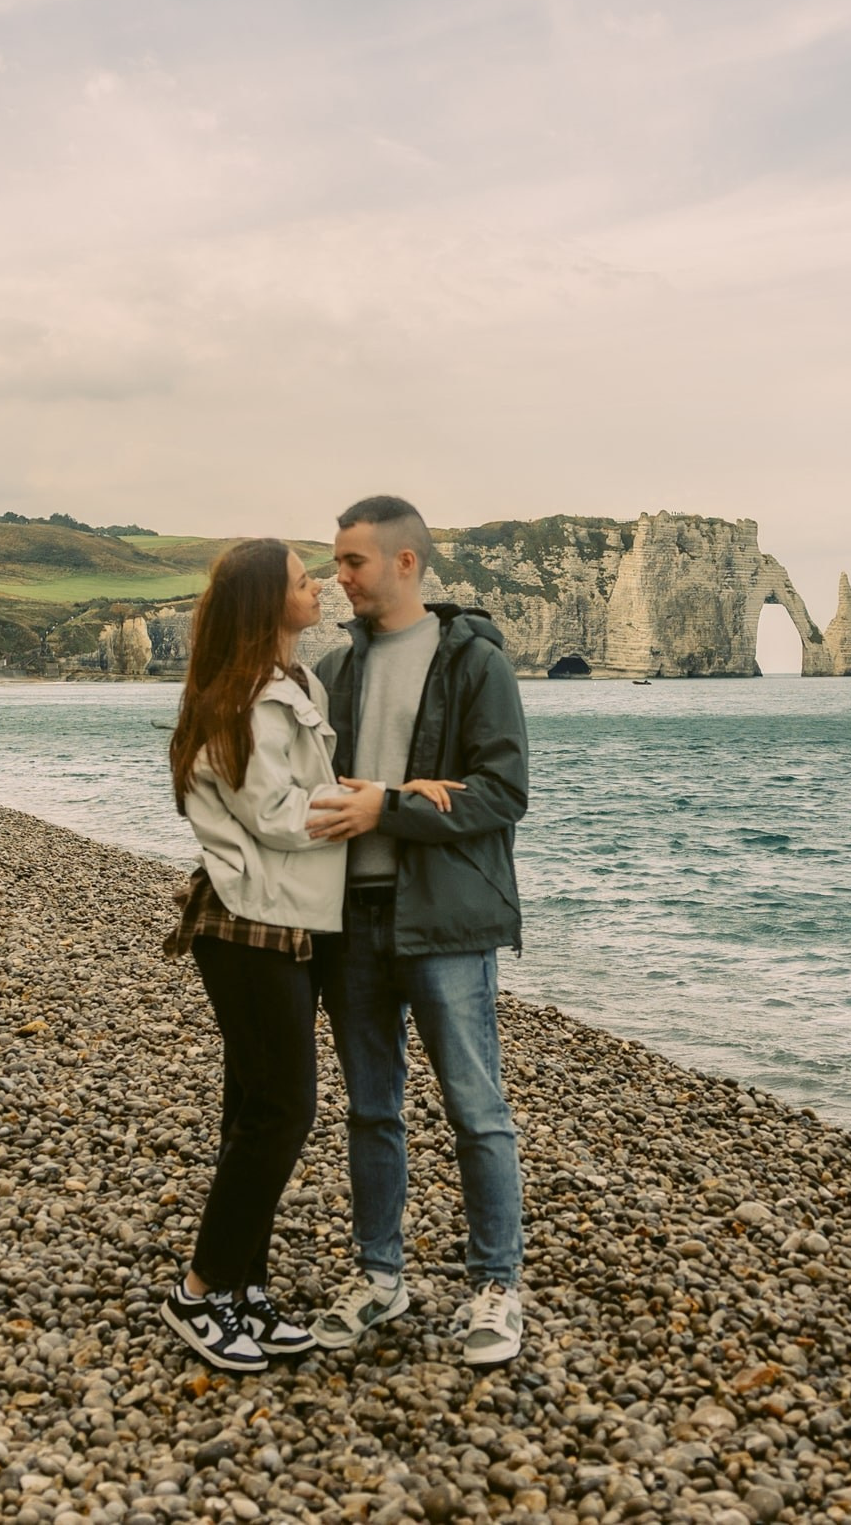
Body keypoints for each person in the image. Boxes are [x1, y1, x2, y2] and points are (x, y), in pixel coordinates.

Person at [304, 494, 530, 1368]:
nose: (339, 577)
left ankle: (498, 1287)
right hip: (351, 920)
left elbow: (504, 794)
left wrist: (391, 805)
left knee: (477, 1109)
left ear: (406, 562)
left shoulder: (476, 664)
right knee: (370, 1109)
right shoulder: (337, 669)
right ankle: (379, 1276)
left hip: (445, 922)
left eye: (352, 562)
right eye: (335, 562)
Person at [160, 536, 343, 1375]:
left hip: (279, 920)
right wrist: (382, 803)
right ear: (270, 602)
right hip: (244, 925)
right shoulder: (245, 700)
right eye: (306, 581)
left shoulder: (289, 684)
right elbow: (277, 814)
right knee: (281, 1112)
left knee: (255, 1109)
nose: (321, 589)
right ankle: (199, 1292)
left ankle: (245, 1288)